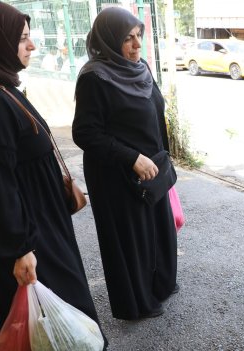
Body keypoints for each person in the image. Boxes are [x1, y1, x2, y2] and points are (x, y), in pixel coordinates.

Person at [0, 0, 106, 345]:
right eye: (22, 38)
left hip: (39, 225)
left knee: (59, 327)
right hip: (30, 236)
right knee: (52, 326)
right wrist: (19, 248)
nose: (32, 45)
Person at [72, 7, 178, 320]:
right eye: (127, 39)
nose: (136, 45)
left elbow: (156, 116)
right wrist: (132, 158)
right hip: (116, 174)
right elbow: (85, 133)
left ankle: (160, 285)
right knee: (131, 240)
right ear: (107, 40)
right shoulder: (95, 77)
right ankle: (136, 302)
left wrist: (165, 161)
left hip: (152, 167)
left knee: (158, 231)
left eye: (138, 37)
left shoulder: (141, 67)